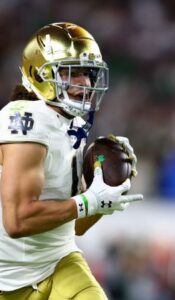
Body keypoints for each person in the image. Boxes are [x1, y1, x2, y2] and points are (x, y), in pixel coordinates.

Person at [0, 22, 143, 299]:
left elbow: (74, 224)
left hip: (59, 262)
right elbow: (16, 221)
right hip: (6, 278)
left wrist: (105, 196)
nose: (85, 83)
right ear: (40, 73)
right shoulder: (25, 120)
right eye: (72, 73)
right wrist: (88, 202)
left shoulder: (71, 122)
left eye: (88, 74)